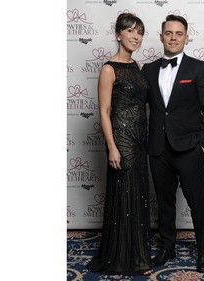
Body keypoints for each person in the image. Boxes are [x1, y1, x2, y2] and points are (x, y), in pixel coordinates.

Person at [141, 15, 204, 273]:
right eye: (169, 33)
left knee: (197, 201)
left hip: (189, 148)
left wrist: (203, 144)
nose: (173, 37)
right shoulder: (148, 70)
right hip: (158, 149)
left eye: (178, 33)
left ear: (186, 37)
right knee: (164, 203)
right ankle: (167, 248)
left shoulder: (199, 68)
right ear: (161, 36)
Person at [86, 13, 152, 276]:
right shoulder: (108, 69)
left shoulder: (138, 66)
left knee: (138, 196)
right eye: (130, 31)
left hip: (140, 139)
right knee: (124, 197)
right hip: (121, 140)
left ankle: (137, 255)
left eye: (139, 32)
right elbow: (104, 111)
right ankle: (122, 258)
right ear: (118, 34)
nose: (135, 36)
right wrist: (112, 146)